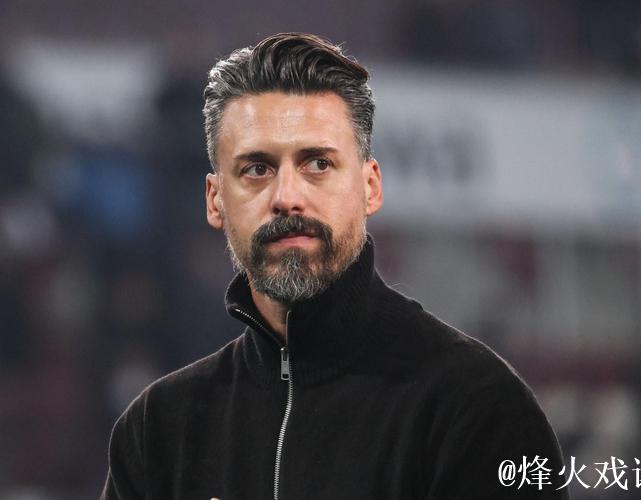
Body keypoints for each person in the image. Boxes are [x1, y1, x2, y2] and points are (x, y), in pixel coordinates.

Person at [101, 32, 567, 499]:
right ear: (215, 199)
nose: (287, 197)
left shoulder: (476, 408)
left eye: (318, 164)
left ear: (370, 188)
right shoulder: (156, 431)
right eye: (257, 169)